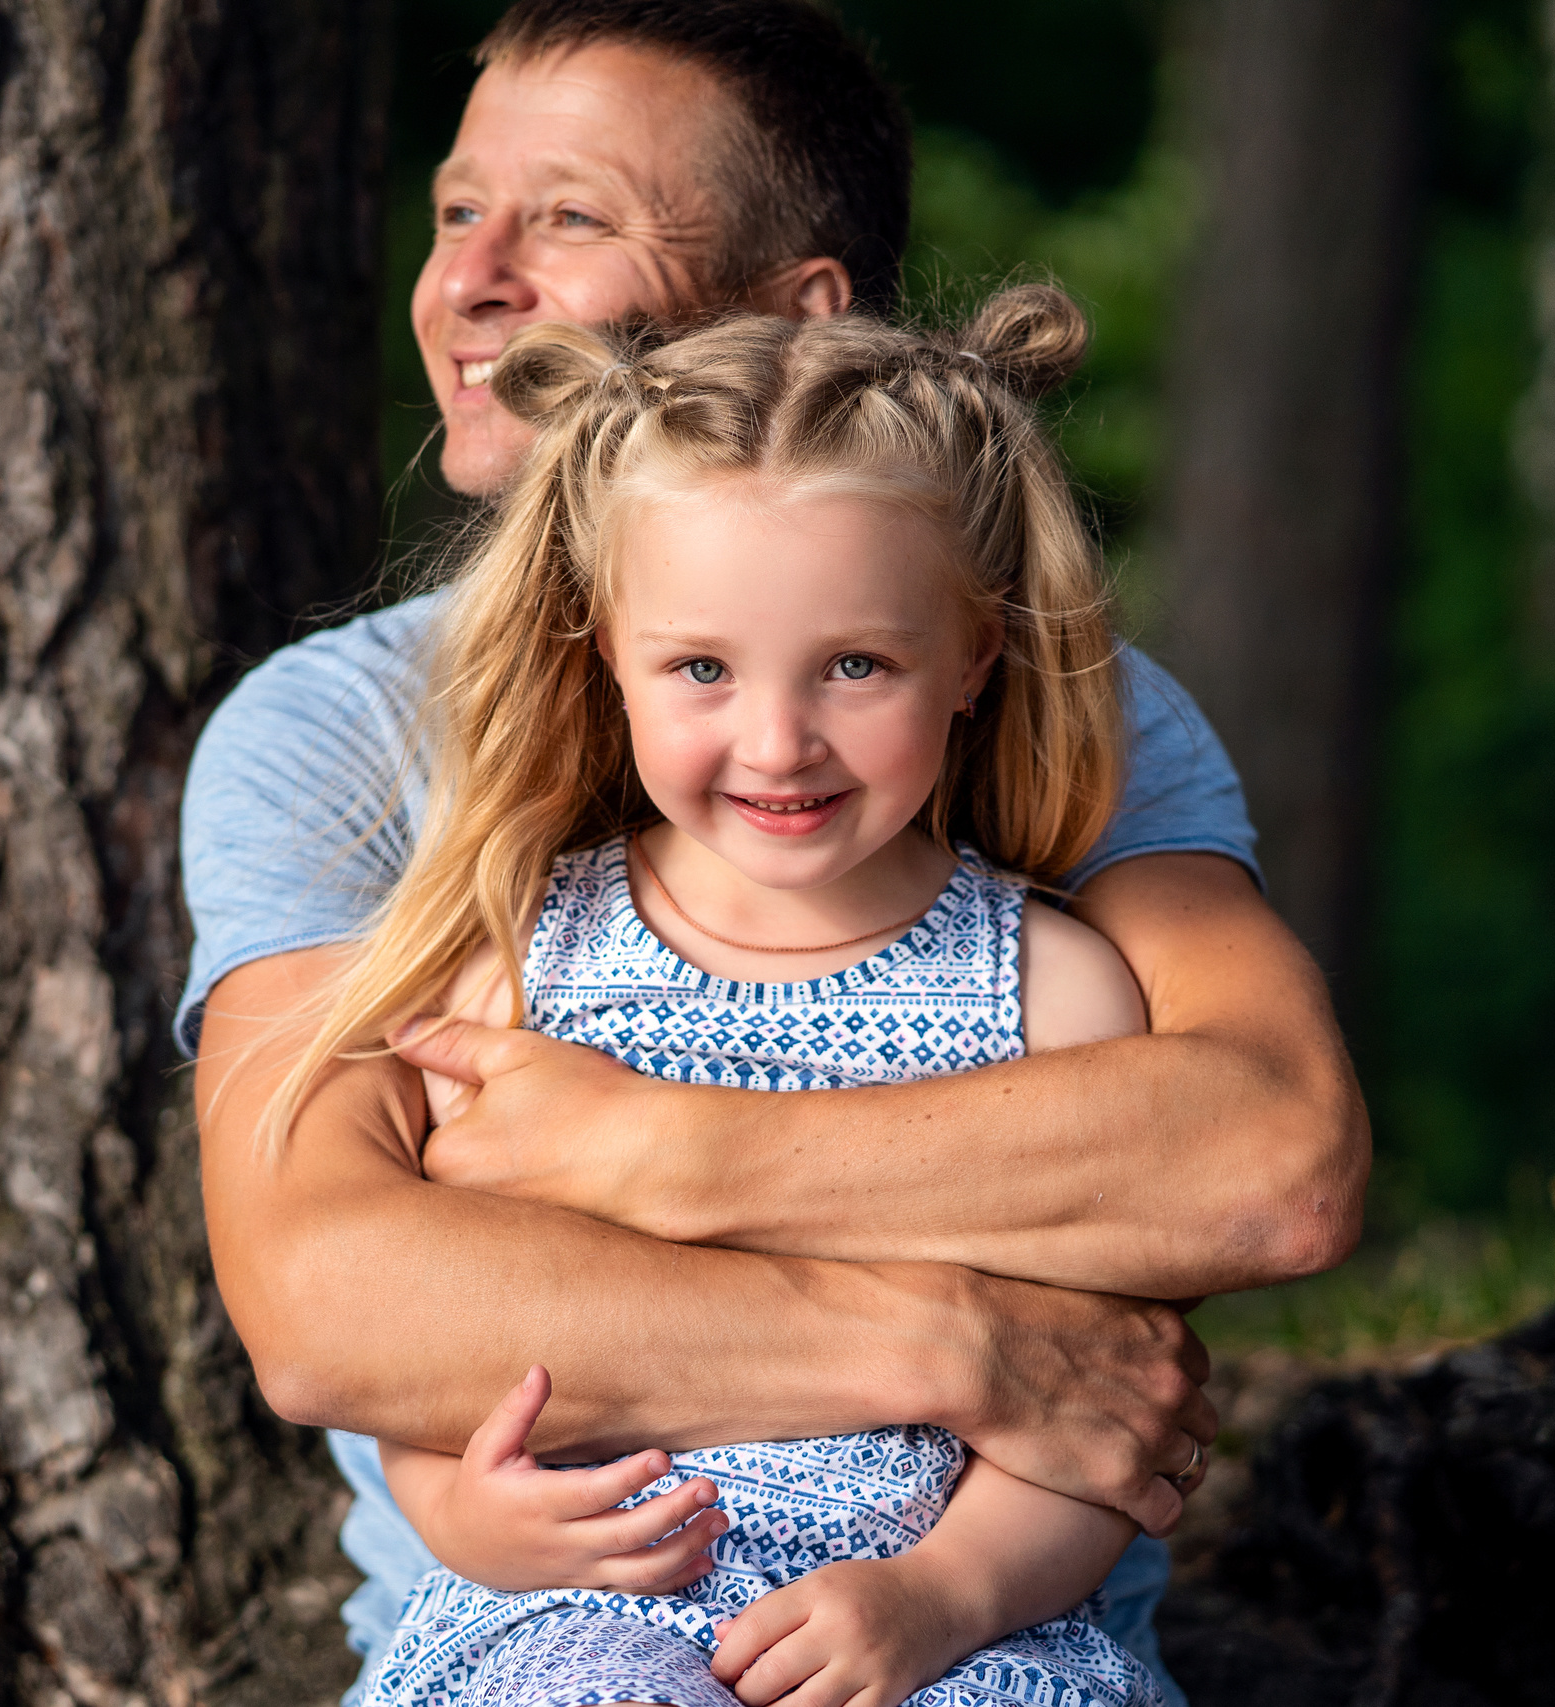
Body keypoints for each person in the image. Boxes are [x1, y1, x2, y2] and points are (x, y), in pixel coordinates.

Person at [183, 2, 1368, 1702]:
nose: (470, 282)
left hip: (975, 1634)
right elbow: (328, 1296)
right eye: (458, 212)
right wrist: (963, 1342)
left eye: (572, 215)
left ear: (802, 313)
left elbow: (1266, 1154)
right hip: (574, 1627)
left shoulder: (1054, 702)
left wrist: (676, 1158)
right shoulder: (337, 740)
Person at [308, 284, 1166, 1707]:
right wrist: (465, 1512)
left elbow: (1101, 1412)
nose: (779, 741)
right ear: (605, 656)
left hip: (945, 1615)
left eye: (855, 666)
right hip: (589, 1604)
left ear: (975, 656)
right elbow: (429, 1350)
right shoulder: (524, 965)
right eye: (701, 668)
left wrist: (942, 1596)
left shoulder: (1056, 993)